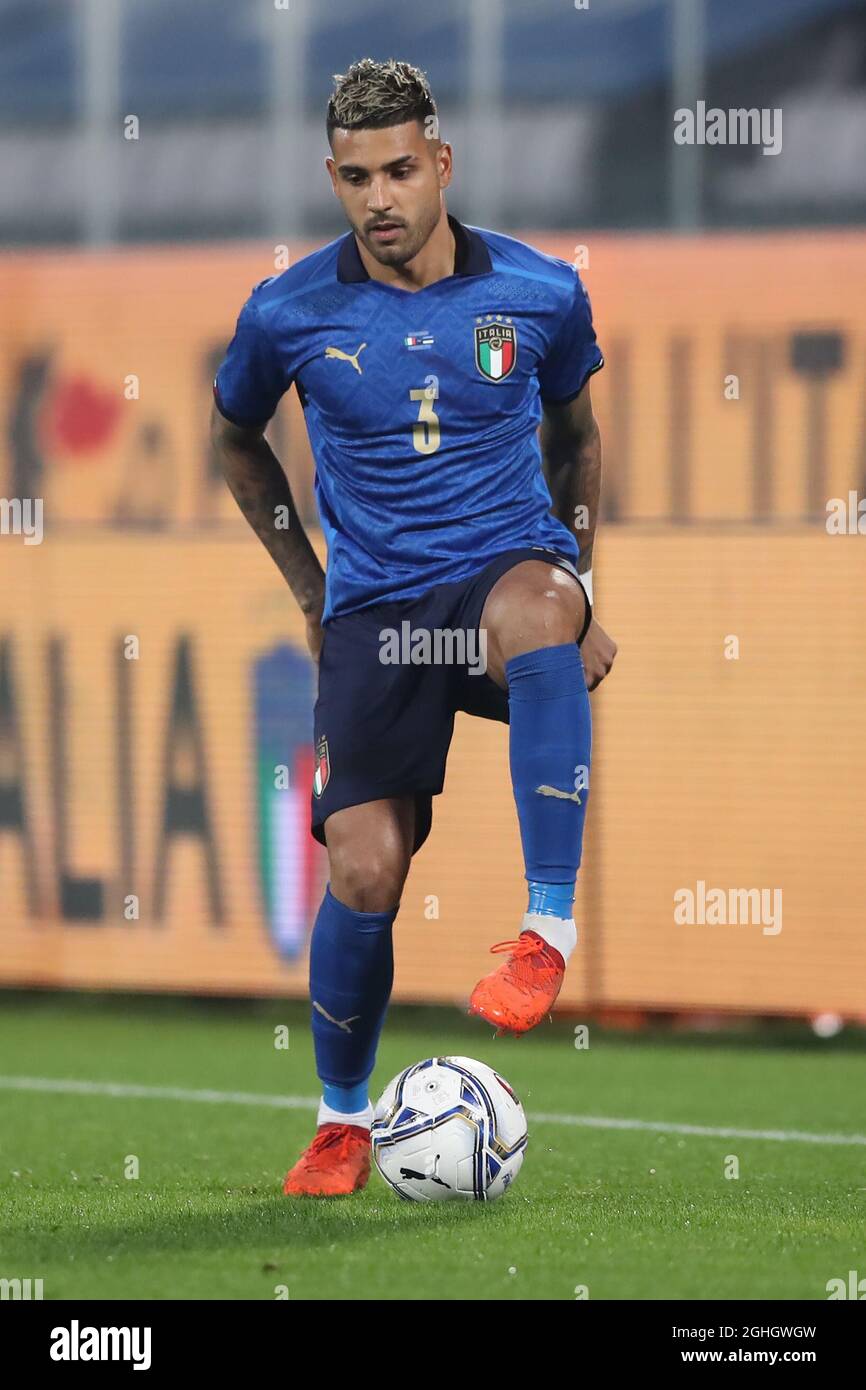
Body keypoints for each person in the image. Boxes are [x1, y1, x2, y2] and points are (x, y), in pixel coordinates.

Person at [211, 58, 616, 1198]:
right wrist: (306, 588)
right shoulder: (287, 311)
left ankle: (543, 936)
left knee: (540, 611)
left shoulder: (537, 291)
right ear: (330, 180)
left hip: (497, 575)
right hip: (376, 614)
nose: (378, 197)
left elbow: (577, 439)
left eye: (398, 169)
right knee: (365, 867)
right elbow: (234, 440)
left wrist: (580, 580)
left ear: (440, 163)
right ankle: (342, 1121)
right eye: (354, 177)